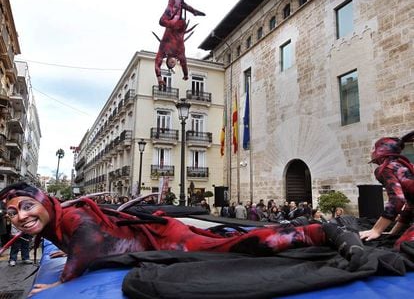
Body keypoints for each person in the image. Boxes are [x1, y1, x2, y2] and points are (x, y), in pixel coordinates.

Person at [1, 183, 365, 295]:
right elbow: (86, 245)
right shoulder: (58, 221)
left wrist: (61, 281)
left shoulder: (74, 217)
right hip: (160, 234)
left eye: (26, 206)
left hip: (165, 239)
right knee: (226, 237)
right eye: (12, 214)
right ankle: (308, 228)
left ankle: (320, 230)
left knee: (233, 247)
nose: (21, 217)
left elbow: (90, 245)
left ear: (44, 201)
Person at [360, 131, 414, 250]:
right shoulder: (404, 166)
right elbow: (410, 206)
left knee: (404, 248)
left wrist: (376, 230)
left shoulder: (386, 168)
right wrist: (392, 234)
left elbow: (397, 200)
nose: (371, 151)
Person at [154, 0, 205, 86]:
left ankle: (178, 4)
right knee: (169, 17)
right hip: (180, 26)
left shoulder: (163, 50)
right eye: (173, 64)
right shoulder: (179, 54)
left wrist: (159, 77)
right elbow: (184, 64)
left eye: (170, 64)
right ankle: (174, 3)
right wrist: (185, 75)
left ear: (168, 61)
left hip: (173, 22)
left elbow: (157, 64)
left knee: (165, 19)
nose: (173, 63)